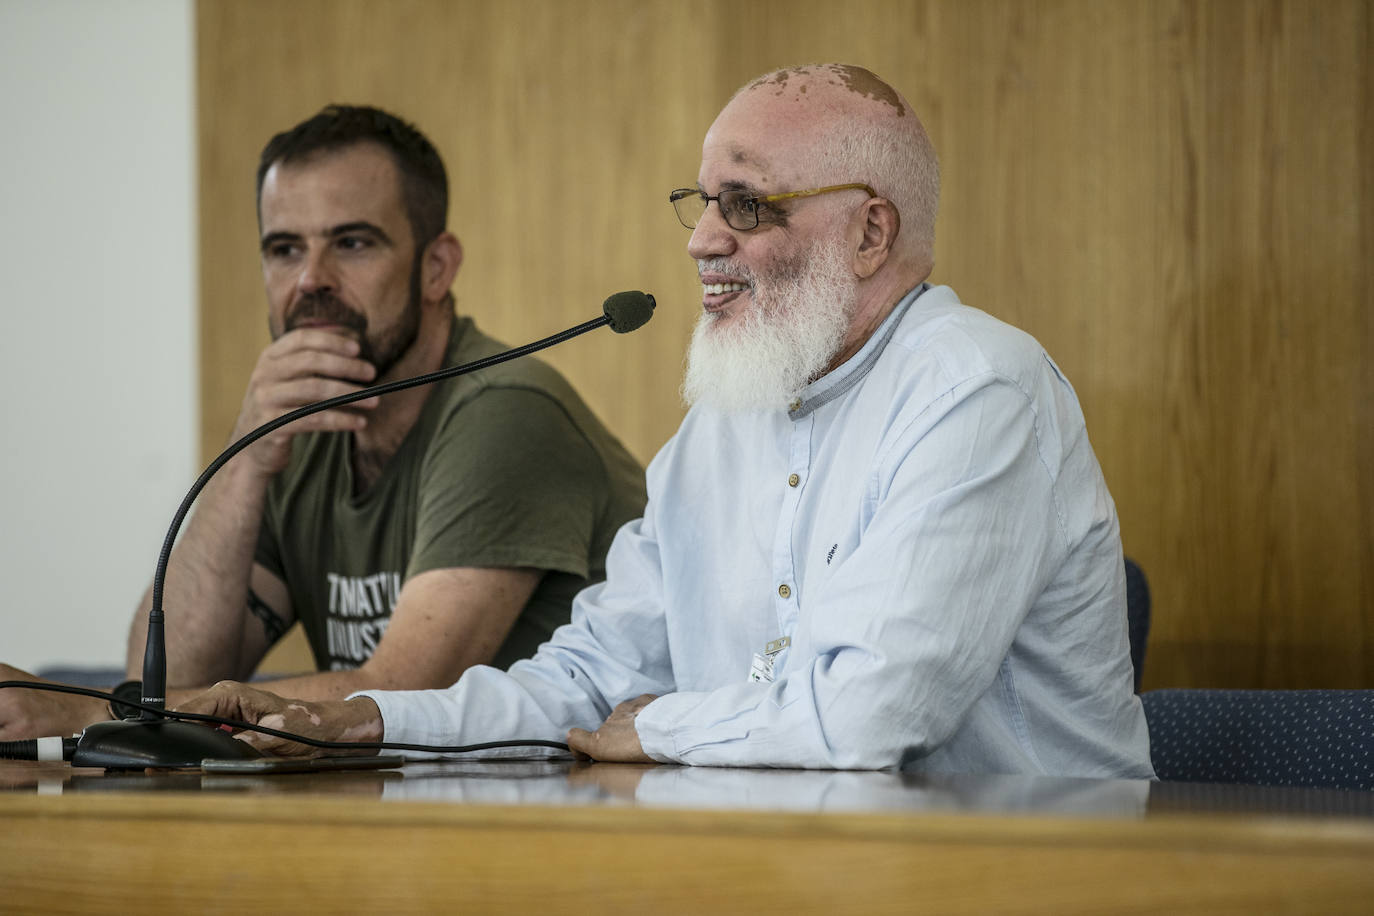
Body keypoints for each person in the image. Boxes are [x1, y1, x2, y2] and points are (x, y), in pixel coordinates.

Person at [182, 65, 1154, 776]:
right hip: (774, 867)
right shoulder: (719, 428)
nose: (699, 240)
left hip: (1019, 878)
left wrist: (657, 727)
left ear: (870, 233)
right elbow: (589, 673)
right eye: (700, 202)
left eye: (747, 205)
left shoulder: (979, 390)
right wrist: (367, 722)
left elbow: (862, 719)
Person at [0, 105, 646, 740]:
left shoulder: (507, 411)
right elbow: (172, 674)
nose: (311, 279)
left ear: (436, 267)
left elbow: (402, 690)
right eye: (284, 249)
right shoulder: (302, 430)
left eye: (352, 243)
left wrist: (94, 712)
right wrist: (248, 458)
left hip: (590, 806)